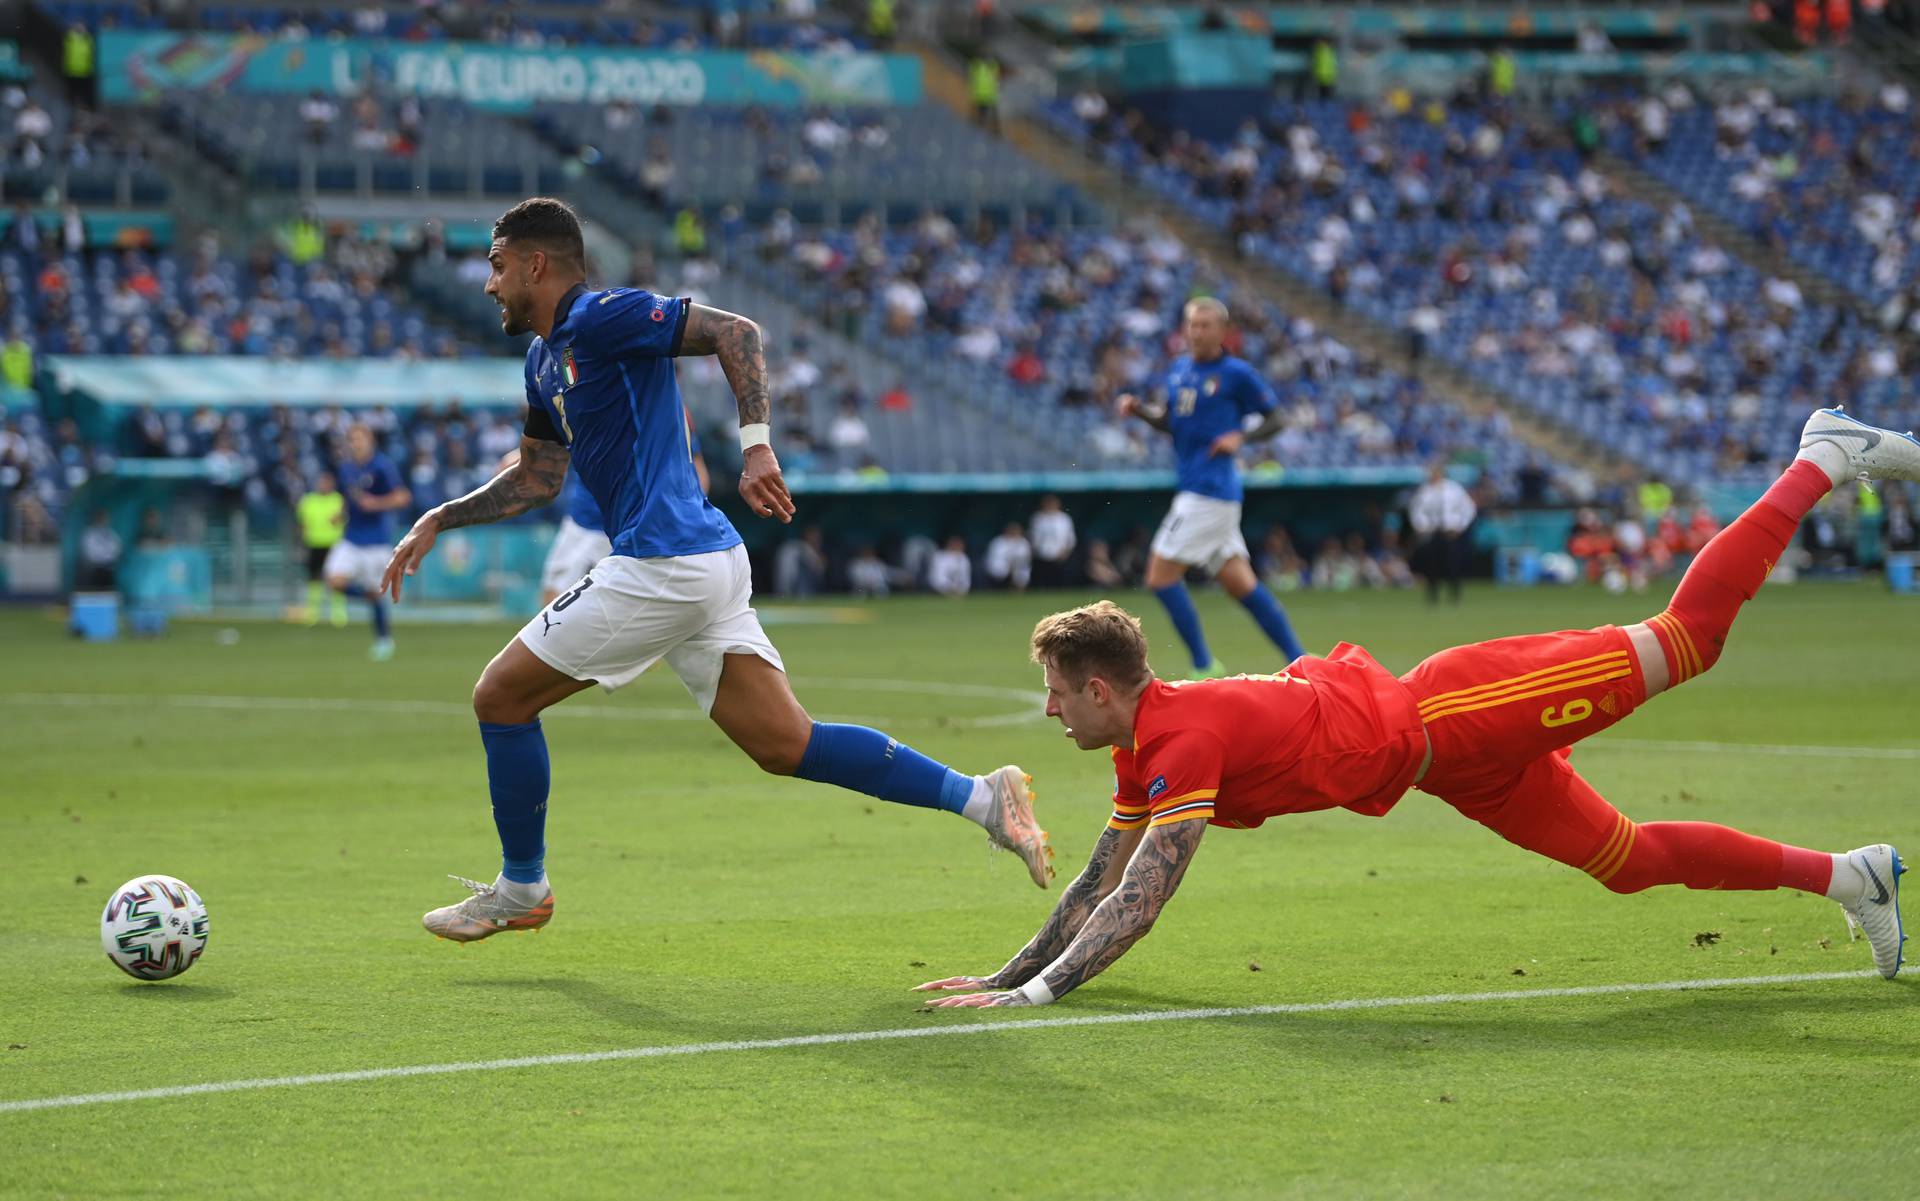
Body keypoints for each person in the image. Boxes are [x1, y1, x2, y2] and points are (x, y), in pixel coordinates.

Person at [915, 409, 1919, 1009]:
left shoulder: (1181, 736)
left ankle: (1820, 459)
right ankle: (1853, 876)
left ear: (1100, 687)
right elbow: (1100, 881)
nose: (1047, 712)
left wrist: (1040, 998)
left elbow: (1143, 901)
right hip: (1444, 764)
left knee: (1688, 641)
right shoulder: (1145, 748)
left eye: (1055, 693)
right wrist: (1006, 976)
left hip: (1461, 711)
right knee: (1631, 864)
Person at [380, 198, 1053, 941]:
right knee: (785, 743)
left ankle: (522, 886)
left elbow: (737, 331)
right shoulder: (544, 361)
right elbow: (538, 476)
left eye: (498, 266)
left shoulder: (600, 316)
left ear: (537, 264)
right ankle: (985, 799)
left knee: (501, 698)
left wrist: (757, 444)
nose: (489, 284)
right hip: (703, 560)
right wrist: (439, 517)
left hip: (664, 561)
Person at [1117, 297, 1305, 677]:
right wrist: (1139, 411)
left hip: (1209, 491)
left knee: (1159, 576)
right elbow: (1171, 423)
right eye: (1191, 324)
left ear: (1222, 331)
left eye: (1205, 325)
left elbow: (1277, 418)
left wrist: (1242, 436)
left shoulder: (1236, 373)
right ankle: (1302, 661)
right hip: (1200, 490)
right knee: (1241, 584)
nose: (1197, 332)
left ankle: (1204, 665)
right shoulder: (1178, 371)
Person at [328, 423, 410, 660]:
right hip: (352, 538)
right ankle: (367, 596)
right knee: (334, 581)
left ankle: (384, 640)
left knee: (378, 595)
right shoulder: (346, 468)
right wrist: (341, 513)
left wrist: (376, 504)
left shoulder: (382, 466)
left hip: (376, 541)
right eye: (352, 439)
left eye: (360, 438)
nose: (356, 443)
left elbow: (403, 497)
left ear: (370, 440)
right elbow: (350, 498)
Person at [1409, 462, 1476, 604]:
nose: (1433, 475)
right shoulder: (1425, 491)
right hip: (1433, 532)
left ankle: (1455, 595)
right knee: (1432, 566)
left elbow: (1468, 508)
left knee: (1453, 564)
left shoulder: (1454, 489)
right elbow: (1416, 511)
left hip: (1451, 533)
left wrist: (1459, 527)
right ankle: (1433, 596)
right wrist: (1423, 526)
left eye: (1436, 472)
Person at [296, 469, 347, 627]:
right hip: (314, 543)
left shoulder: (338, 500)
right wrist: (302, 543)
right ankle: (313, 612)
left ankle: (338, 613)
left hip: (334, 544)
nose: (324, 485)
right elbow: (302, 524)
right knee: (314, 578)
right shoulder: (308, 501)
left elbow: (344, 519)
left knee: (337, 578)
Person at [1029, 494, 1076, 588]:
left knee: (1058, 581)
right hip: (1042, 555)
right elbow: (1033, 536)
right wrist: (1033, 551)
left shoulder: (1064, 518)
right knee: (1043, 580)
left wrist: (1065, 552)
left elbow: (1070, 538)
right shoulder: (1038, 518)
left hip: (1059, 554)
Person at [76, 510, 120, 590]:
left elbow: (116, 549)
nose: (103, 520)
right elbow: (89, 552)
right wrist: (103, 558)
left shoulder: (111, 534)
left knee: (108, 593)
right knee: (94, 592)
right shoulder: (89, 533)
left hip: (108, 569)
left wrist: (108, 559)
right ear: (95, 519)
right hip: (93, 570)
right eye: (101, 518)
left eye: (105, 518)